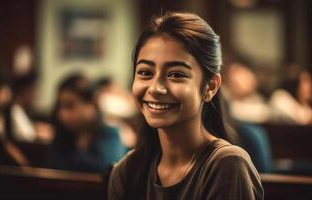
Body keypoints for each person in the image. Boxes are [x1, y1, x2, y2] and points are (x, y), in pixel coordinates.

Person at [108, 12, 263, 200]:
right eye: (145, 72)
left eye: (176, 74)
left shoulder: (226, 165)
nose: (156, 88)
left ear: (210, 86)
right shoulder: (128, 171)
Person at [47, 74, 127, 173]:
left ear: (91, 104)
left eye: (70, 106)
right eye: (60, 106)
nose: (62, 114)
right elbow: (55, 168)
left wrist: (81, 147)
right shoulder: (63, 134)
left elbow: (107, 170)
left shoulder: (109, 133)